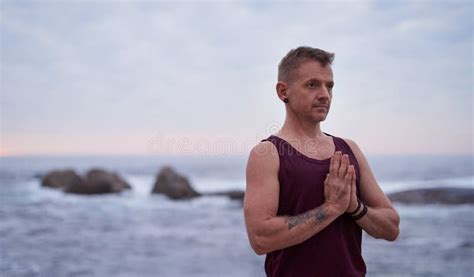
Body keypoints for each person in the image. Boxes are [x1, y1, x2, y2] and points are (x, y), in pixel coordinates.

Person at [243, 46, 400, 276]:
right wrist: (331, 209)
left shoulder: (349, 150)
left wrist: (354, 207)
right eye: (312, 84)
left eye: (330, 86)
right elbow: (260, 239)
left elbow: (391, 227)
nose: (324, 94)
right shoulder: (267, 154)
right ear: (283, 91)